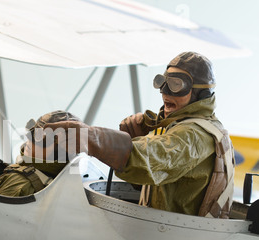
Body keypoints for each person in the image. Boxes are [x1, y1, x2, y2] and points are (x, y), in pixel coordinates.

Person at [45, 52, 235, 218]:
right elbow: (161, 182)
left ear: (199, 94)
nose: (165, 91)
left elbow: (150, 158)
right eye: (163, 82)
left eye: (176, 84)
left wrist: (92, 138)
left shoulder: (194, 135)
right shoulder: (197, 126)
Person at [0, 110, 82, 197]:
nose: (29, 139)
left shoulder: (19, 183)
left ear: (59, 152)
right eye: (32, 132)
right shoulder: (69, 189)